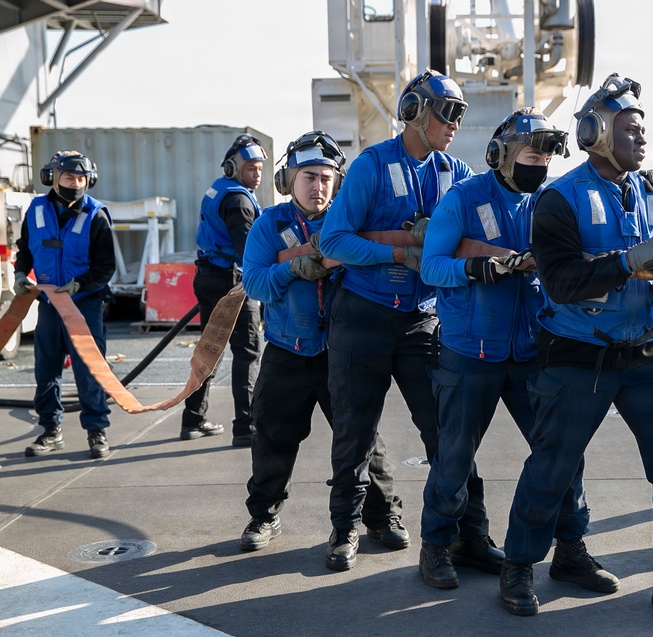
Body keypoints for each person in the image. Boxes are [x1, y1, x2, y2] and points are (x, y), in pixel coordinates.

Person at [499, 73, 653, 624]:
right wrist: (630, 263)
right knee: (553, 466)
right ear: (596, 132)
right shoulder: (559, 199)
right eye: (631, 129)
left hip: (648, 352)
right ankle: (519, 565)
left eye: (644, 130)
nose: (643, 139)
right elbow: (559, 282)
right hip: (578, 354)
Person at [418, 108, 601, 590]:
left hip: (531, 352)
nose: (539, 162)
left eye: (545, 154)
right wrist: (476, 270)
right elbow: (431, 269)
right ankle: (436, 547)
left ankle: (571, 547)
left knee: (561, 455)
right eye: (531, 152)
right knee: (453, 460)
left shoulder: (551, 201)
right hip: (468, 354)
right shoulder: (462, 199)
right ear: (500, 155)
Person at [318, 69, 476, 572]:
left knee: (446, 433)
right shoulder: (370, 166)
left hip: (420, 320)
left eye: (460, 115)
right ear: (414, 112)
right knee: (354, 432)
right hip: (361, 317)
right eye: (447, 113)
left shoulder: (458, 173)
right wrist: (400, 254)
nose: (454, 125)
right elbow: (333, 242)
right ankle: (344, 529)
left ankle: (460, 535)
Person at [238, 131, 403, 552]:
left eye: (327, 178)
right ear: (288, 180)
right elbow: (255, 283)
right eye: (308, 176)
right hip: (287, 351)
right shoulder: (268, 225)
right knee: (272, 437)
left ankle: (382, 517)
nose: (318, 186)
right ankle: (264, 516)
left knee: (365, 441)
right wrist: (293, 271)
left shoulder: (351, 226)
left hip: (344, 354)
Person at [15, 151, 114, 459]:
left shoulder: (96, 215)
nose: (76, 183)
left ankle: (96, 431)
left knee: (89, 371)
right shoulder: (36, 210)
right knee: (46, 371)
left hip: (83, 304)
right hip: (48, 302)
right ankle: (50, 431)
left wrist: (80, 285)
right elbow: (25, 249)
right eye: (69, 177)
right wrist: (20, 273)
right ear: (53, 178)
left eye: (82, 179)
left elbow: (105, 266)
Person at [183, 134, 266, 447]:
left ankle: (192, 420)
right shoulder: (239, 200)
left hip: (207, 278)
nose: (256, 174)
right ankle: (246, 426)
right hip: (231, 285)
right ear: (233, 168)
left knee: (209, 352)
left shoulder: (220, 189)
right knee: (247, 353)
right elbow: (249, 250)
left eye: (259, 169)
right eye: (251, 169)